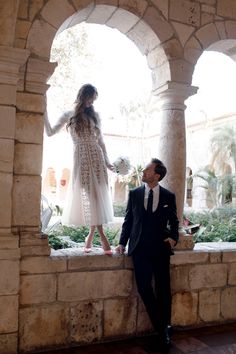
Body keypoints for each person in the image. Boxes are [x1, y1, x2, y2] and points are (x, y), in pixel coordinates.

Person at [116, 158, 179, 353]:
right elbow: (128, 220)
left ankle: (164, 327)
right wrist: (121, 243)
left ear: (156, 175)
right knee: (144, 288)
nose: (143, 172)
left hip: (160, 250)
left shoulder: (168, 196)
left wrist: (173, 238)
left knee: (163, 290)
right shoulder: (135, 194)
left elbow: (174, 221)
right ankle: (163, 329)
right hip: (140, 249)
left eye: (147, 170)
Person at [44, 84, 114, 254]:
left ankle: (90, 237)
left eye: (94, 99)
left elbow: (101, 142)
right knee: (90, 196)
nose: (91, 102)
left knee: (97, 198)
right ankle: (101, 236)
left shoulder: (95, 116)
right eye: (90, 98)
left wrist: (107, 162)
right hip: (81, 159)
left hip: (97, 158)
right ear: (83, 96)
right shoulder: (69, 115)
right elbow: (50, 132)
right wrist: (43, 111)